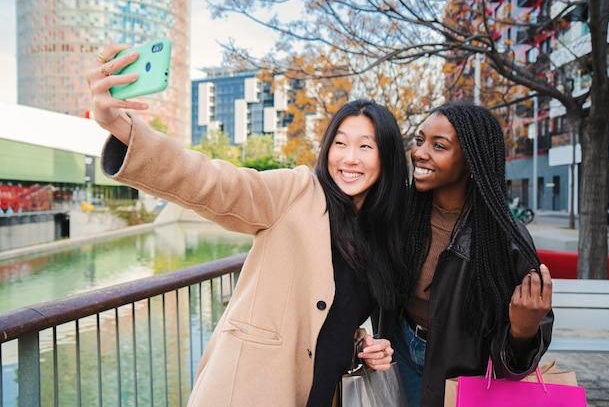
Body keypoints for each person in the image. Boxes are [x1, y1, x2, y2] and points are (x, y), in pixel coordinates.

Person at [86, 44, 409, 407]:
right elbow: (215, 184)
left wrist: (360, 343)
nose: (350, 158)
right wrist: (124, 129)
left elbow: (323, 316)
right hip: (252, 390)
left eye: (366, 146)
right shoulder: (297, 191)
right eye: (340, 143)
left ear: (387, 156)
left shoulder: (379, 233)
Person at [378, 103, 554, 407]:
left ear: (472, 161)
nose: (420, 153)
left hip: (465, 369)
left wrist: (523, 330)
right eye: (420, 141)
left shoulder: (506, 237)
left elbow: (518, 357)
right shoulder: (401, 213)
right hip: (400, 351)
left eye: (439, 146)